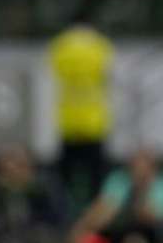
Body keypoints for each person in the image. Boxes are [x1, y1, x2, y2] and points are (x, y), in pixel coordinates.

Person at [48, 15, 114, 216]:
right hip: (94, 123)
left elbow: (52, 73)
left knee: (65, 180)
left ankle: (65, 219)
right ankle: (93, 222)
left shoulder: (60, 45)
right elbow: (108, 75)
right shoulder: (100, 46)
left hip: (68, 122)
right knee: (97, 181)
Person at [70, 147, 163, 243]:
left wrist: (141, 190)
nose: (139, 170)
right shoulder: (119, 179)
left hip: (154, 232)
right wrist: (82, 229)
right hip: (122, 228)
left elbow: (153, 217)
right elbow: (103, 208)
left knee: (138, 236)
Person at [0, 144, 65, 243]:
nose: (13, 174)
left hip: (35, 234)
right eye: (5, 170)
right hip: (4, 236)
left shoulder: (43, 189)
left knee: (43, 238)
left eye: (18, 167)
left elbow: (53, 219)